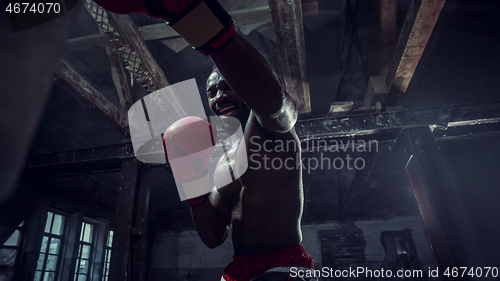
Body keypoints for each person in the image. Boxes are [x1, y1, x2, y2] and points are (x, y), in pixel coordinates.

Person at [94, 0, 317, 280]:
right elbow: (214, 236)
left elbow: (275, 104)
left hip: (281, 267)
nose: (219, 96)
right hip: (238, 271)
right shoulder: (219, 159)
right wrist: (189, 180)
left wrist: (207, 28)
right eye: (211, 92)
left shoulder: (271, 130)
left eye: (227, 86)